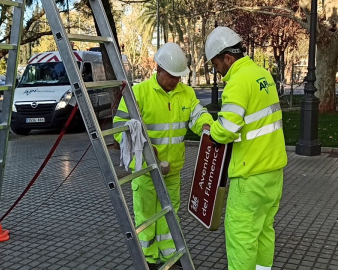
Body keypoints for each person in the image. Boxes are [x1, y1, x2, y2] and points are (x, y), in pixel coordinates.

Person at [113, 42, 213, 269]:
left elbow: (199, 115)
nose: (177, 80)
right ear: (158, 70)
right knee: (147, 217)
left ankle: (170, 257)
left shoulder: (186, 93)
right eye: (172, 76)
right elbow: (119, 127)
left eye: (179, 76)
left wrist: (207, 127)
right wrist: (144, 147)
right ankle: (149, 259)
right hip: (146, 170)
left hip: (173, 170)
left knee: (170, 216)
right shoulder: (138, 92)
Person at [205, 26, 288, 270]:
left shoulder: (237, 82)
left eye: (216, 64)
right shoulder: (261, 74)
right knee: (263, 231)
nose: (217, 70)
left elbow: (227, 130)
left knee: (241, 237)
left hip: (249, 174)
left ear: (228, 58)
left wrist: (211, 129)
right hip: (273, 172)